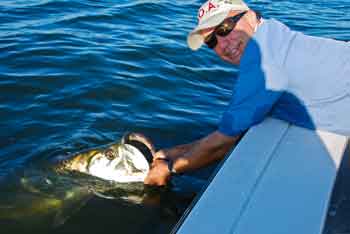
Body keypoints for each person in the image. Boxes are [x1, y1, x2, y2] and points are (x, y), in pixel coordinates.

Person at [143, 0, 350, 186]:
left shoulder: (263, 65)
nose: (222, 44)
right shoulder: (274, 34)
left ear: (250, 16)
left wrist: (170, 168)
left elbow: (222, 142)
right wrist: (173, 152)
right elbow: (233, 129)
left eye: (224, 28)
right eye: (211, 41)